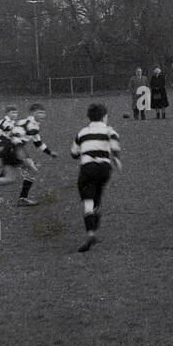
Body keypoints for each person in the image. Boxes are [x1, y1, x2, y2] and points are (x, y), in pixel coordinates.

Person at [70, 102, 122, 252]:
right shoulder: (110, 130)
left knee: (87, 201)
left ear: (89, 118)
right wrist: (117, 159)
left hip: (88, 168)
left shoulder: (82, 133)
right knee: (97, 191)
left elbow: (73, 153)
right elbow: (114, 146)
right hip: (105, 169)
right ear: (105, 117)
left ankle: (90, 233)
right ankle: (96, 212)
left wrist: (85, 149)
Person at [12, 102, 56, 207]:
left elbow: (38, 143)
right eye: (40, 113)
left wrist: (50, 152)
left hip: (16, 150)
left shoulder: (34, 125)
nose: (43, 115)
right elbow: (14, 136)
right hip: (15, 149)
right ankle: (22, 199)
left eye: (43, 113)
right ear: (33, 113)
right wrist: (21, 155)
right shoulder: (26, 123)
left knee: (25, 171)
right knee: (31, 171)